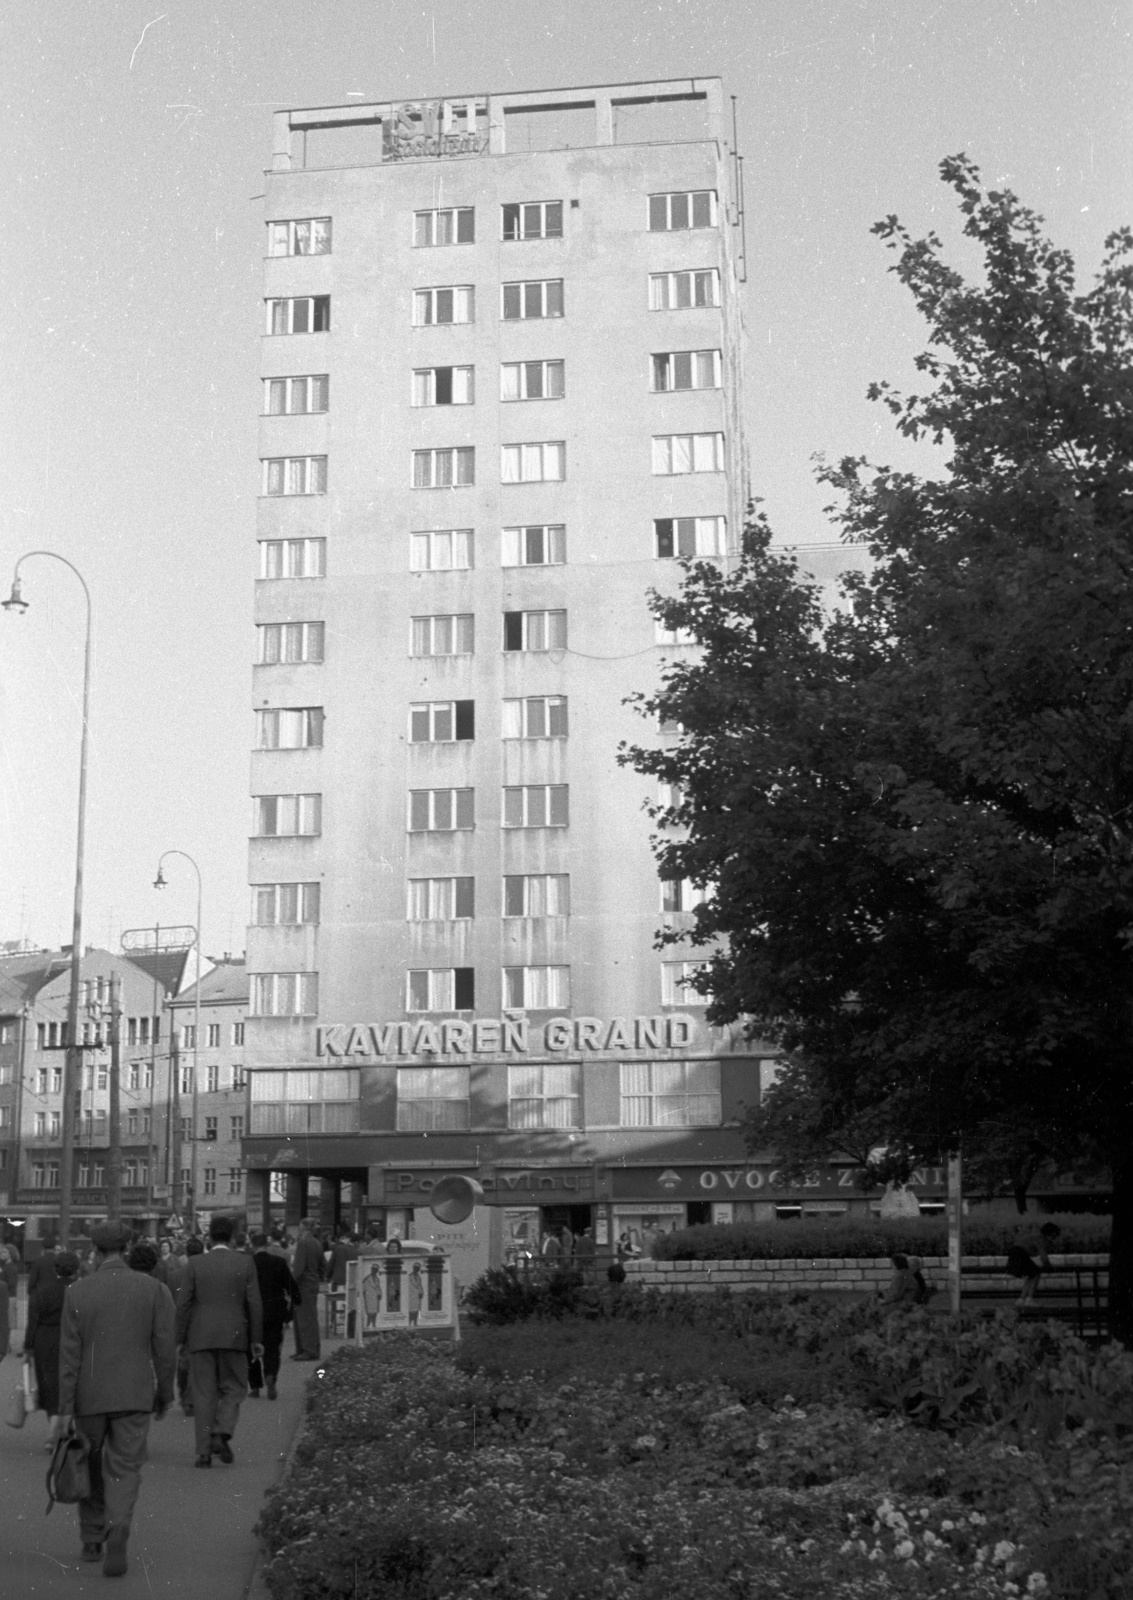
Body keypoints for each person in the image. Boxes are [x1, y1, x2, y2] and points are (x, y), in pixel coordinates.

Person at [57, 1219, 176, 1577]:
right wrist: (165, 1393)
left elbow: (69, 1357)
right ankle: (118, 1525)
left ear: (94, 1252)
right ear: (126, 1249)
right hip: (134, 1394)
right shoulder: (153, 1289)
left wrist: (64, 1409)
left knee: (90, 1464)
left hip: (88, 1398)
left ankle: (92, 1539)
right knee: (124, 1466)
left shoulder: (77, 1292)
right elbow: (165, 1349)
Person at [175, 1214, 264, 1468]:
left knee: (203, 1393)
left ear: (209, 1236)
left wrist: (180, 1338)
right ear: (234, 1237)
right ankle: (221, 1431)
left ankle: (203, 1453)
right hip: (235, 1336)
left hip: (200, 1337)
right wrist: (256, 1339)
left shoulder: (194, 1264)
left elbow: (184, 1305)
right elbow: (254, 1304)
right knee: (234, 1387)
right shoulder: (245, 1263)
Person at [25, 1248, 79, 1448]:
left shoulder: (42, 1291)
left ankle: (53, 1427)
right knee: (71, 1380)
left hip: (45, 1339)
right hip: (72, 1338)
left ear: (56, 1269)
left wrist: (28, 1349)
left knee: (48, 1383)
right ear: (76, 1269)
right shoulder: (80, 1290)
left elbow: (33, 1322)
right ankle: (67, 1425)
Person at [250, 1232, 300, 1399]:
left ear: (252, 1245)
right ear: (267, 1244)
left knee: (252, 1349)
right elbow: (291, 1286)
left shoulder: (248, 1264)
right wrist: (295, 1304)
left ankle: (255, 1387)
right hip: (275, 1313)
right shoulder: (278, 1263)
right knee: (272, 1348)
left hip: (253, 1313)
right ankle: (271, 1375)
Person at [290, 1217, 325, 1361]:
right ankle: (308, 1348)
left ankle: (307, 1350)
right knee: (309, 1317)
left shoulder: (303, 1243)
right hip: (313, 1283)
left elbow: (298, 1268)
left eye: (299, 1227)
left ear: (304, 1228)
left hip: (303, 1285)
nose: (298, 1230)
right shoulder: (317, 1243)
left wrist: (291, 1283)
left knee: (303, 1319)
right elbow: (324, 1264)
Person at [1005, 1223, 1062, 1305]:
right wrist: (1049, 1266)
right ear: (1051, 1235)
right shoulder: (1042, 1240)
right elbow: (1044, 1257)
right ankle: (1029, 1299)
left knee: (1031, 1274)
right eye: (1054, 1237)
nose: (1053, 1240)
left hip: (1015, 1252)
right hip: (1019, 1253)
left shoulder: (1037, 1237)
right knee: (1036, 1274)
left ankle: (1021, 1299)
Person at [407, 1262, 423, 1326]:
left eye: (417, 1268)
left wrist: (421, 1292)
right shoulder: (409, 1276)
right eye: (415, 1268)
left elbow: (420, 1286)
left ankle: (415, 1322)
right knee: (411, 1310)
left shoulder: (419, 1277)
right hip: (411, 1295)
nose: (416, 1269)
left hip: (417, 1295)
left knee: (417, 1309)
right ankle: (409, 1322)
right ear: (413, 1268)